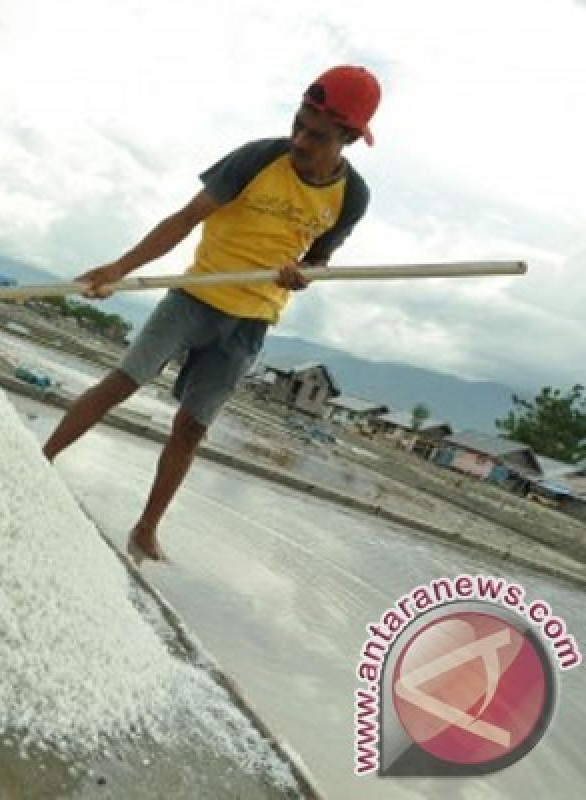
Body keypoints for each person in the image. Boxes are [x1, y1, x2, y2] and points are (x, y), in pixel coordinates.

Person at [43, 65, 380, 561]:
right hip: (194, 297)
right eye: (298, 124)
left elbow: (319, 260)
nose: (300, 141)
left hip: (250, 320)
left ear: (347, 137)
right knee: (121, 383)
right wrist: (120, 267)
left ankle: (146, 529)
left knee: (193, 427)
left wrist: (304, 273)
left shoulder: (353, 196)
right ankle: (40, 459)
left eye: (317, 135)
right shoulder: (258, 159)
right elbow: (185, 219)